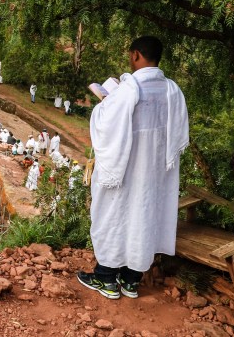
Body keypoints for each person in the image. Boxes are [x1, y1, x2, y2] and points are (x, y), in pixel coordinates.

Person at [78, 36, 188, 301]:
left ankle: (105, 279)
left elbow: (106, 123)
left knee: (113, 216)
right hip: (154, 173)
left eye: (131, 55)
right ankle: (131, 281)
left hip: (125, 169)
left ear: (136, 55)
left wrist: (104, 102)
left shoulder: (130, 88)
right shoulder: (172, 91)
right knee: (145, 217)